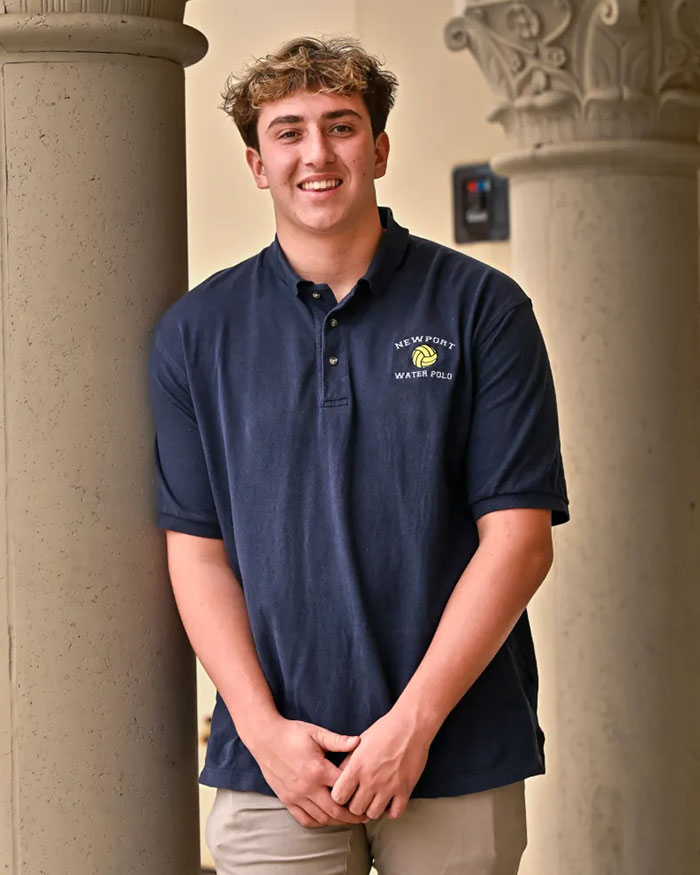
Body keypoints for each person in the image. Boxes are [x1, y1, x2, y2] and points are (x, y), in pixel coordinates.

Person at [147, 35, 570, 875]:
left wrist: (410, 727)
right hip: (275, 765)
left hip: (456, 748)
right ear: (256, 163)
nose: (317, 153)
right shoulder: (197, 334)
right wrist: (265, 732)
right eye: (289, 131)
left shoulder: (484, 308)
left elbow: (519, 539)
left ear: (378, 147)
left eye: (341, 127)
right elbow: (197, 553)